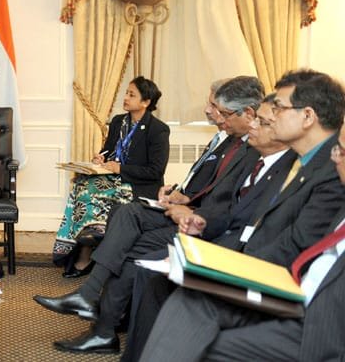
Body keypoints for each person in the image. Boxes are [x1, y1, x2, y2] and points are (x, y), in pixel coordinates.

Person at [35, 76, 264, 354]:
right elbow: (209, 185)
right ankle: (94, 303)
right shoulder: (231, 141)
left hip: (201, 222)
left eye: (218, 108)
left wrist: (188, 205)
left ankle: (99, 316)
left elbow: (224, 201)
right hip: (188, 208)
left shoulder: (250, 146)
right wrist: (180, 194)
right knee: (124, 212)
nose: (209, 111)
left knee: (129, 232)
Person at [131, 69, 345, 361]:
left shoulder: (333, 168)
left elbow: (297, 245)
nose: (266, 116)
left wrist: (224, 267)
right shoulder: (303, 161)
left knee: (195, 303)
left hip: (292, 289)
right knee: (182, 291)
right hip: (264, 265)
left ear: (307, 117)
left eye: (279, 108)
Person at [53, 76, 170, 278]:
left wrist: (120, 169)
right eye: (126, 93)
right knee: (81, 183)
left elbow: (155, 171)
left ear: (146, 102)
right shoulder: (118, 122)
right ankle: (85, 242)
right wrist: (101, 157)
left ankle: (90, 245)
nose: (125, 97)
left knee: (92, 190)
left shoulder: (158, 130)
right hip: (113, 178)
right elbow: (109, 150)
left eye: (131, 94)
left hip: (137, 184)